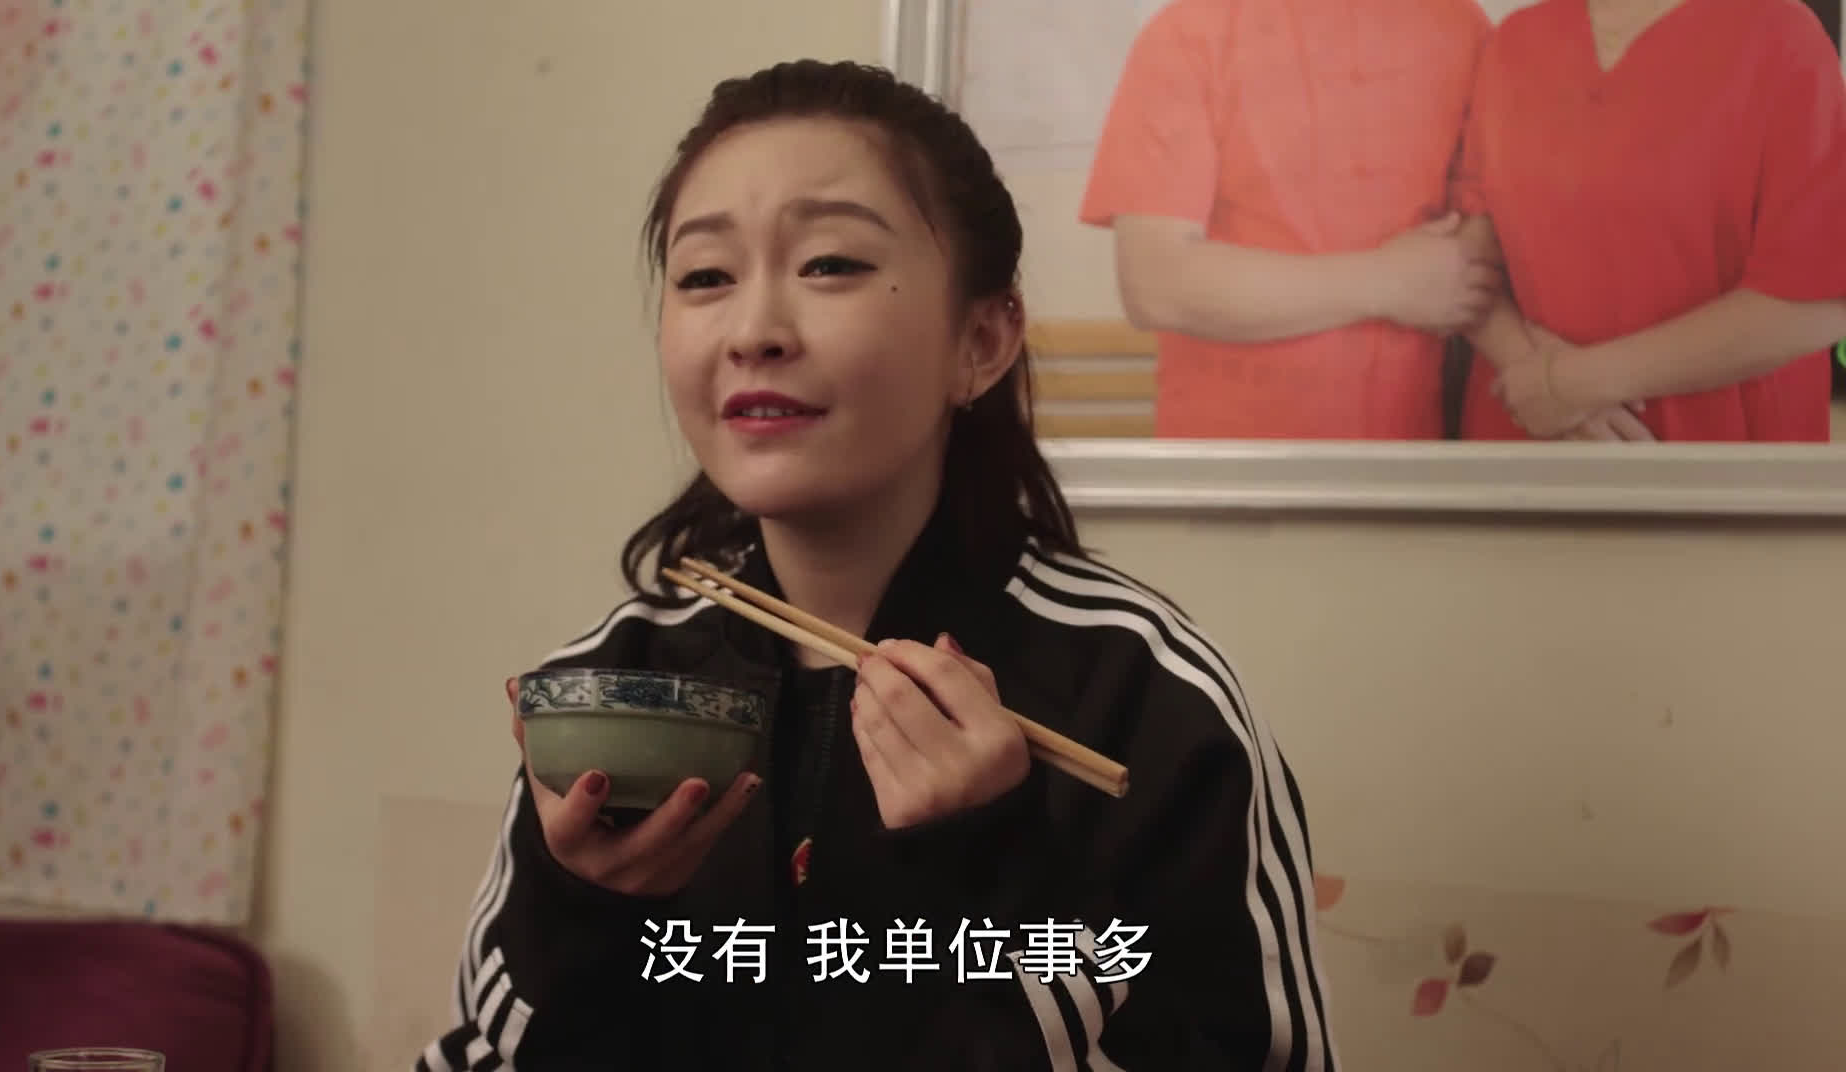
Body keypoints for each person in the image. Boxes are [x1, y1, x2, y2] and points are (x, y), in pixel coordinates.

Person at [417, 59, 1335, 1072]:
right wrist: (579, 905)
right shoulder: (621, 686)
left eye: (830, 264)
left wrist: (992, 868)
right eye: (706, 277)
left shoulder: (1141, 698)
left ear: (981, 339)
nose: (754, 332)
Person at [1079, 0, 1501, 440]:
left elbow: (1488, 237)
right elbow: (1156, 285)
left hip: (1411, 448)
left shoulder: (1458, 25)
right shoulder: (1190, 32)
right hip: (1231, 453)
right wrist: (1387, 282)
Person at [1457, 0, 1846, 442]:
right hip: (1523, 434)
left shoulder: (1782, 38)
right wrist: (1530, 376)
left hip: (1714, 454)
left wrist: (1573, 385)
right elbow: (1466, 260)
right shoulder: (1514, 43)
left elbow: (1818, 301)